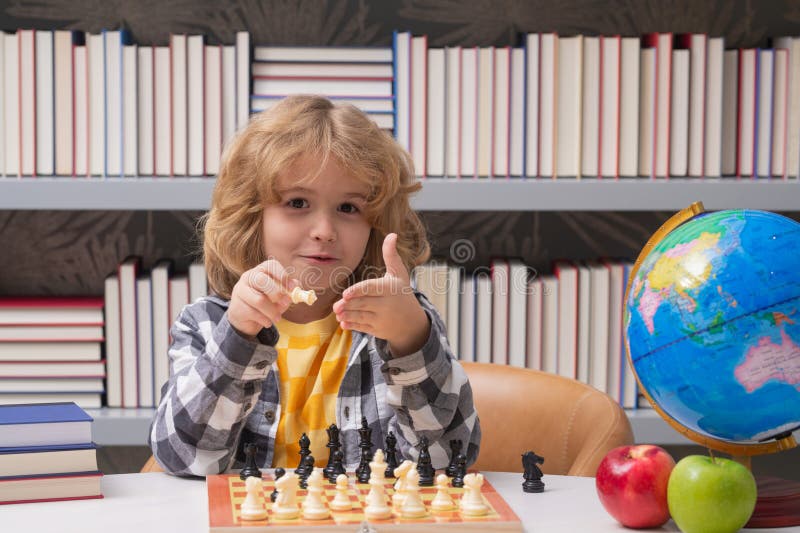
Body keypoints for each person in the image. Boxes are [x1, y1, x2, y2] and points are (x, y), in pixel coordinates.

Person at [148, 95, 481, 476]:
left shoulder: (405, 320)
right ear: (251, 215)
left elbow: (445, 460)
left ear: (375, 225)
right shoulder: (205, 324)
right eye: (297, 202)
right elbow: (186, 459)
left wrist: (411, 342)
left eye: (348, 208)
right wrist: (237, 338)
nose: (324, 231)